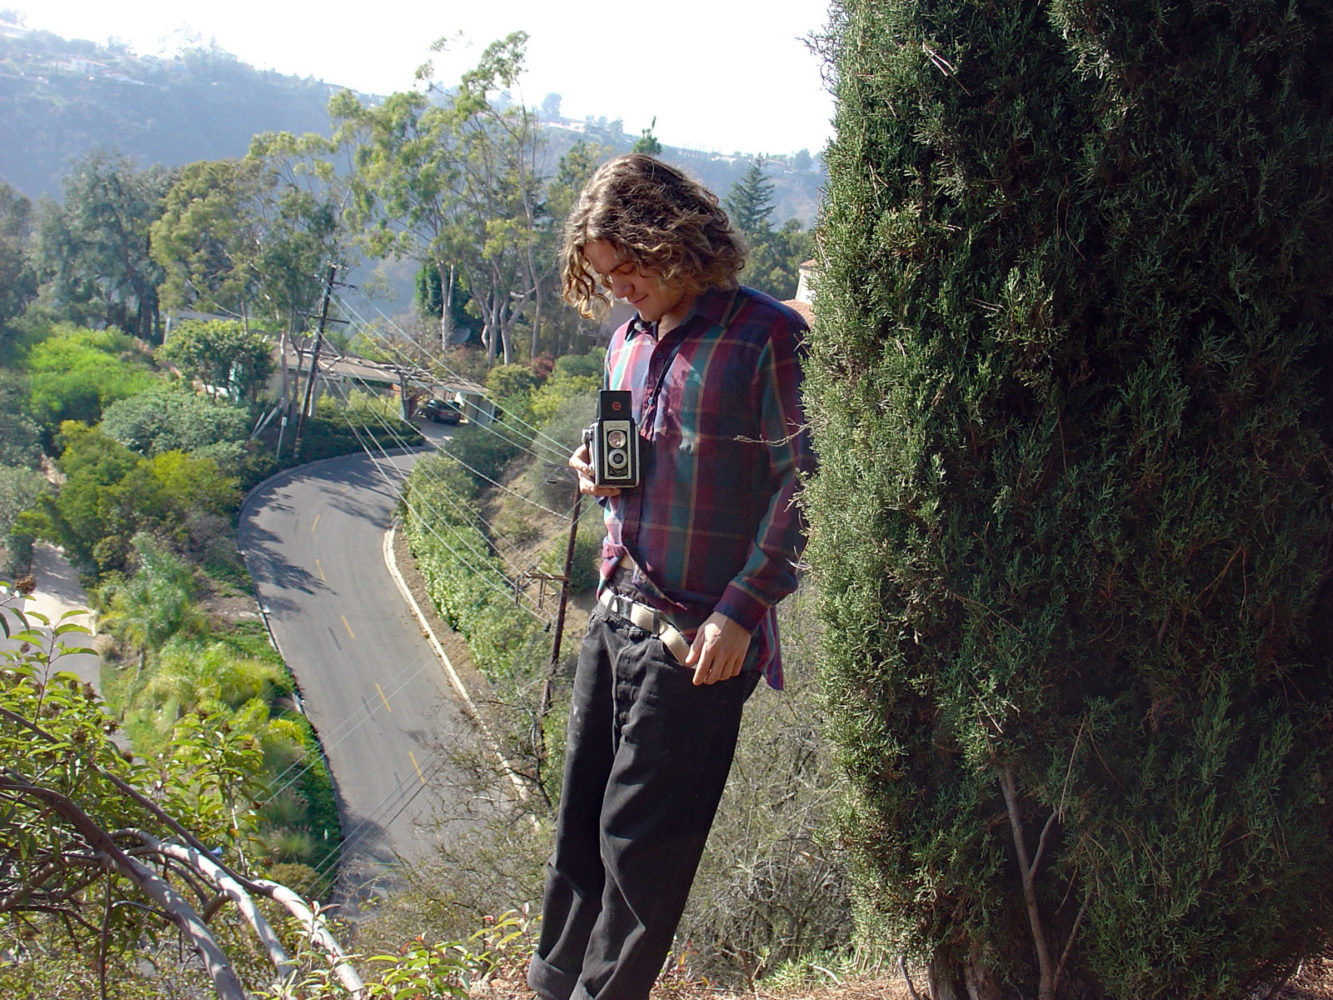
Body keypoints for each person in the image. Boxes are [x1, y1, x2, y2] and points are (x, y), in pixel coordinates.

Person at [527, 154, 815, 1000]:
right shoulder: (625, 341)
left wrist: (742, 611)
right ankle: (551, 986)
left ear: (676, 239)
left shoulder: (766, 336)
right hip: (614, 613)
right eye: (605, 274)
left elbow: (809, 485)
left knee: (641, 852)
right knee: (580, 827)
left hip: (699, 640)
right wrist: (595, 464)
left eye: (632, 268)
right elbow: (629, 458)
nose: (620, 290)